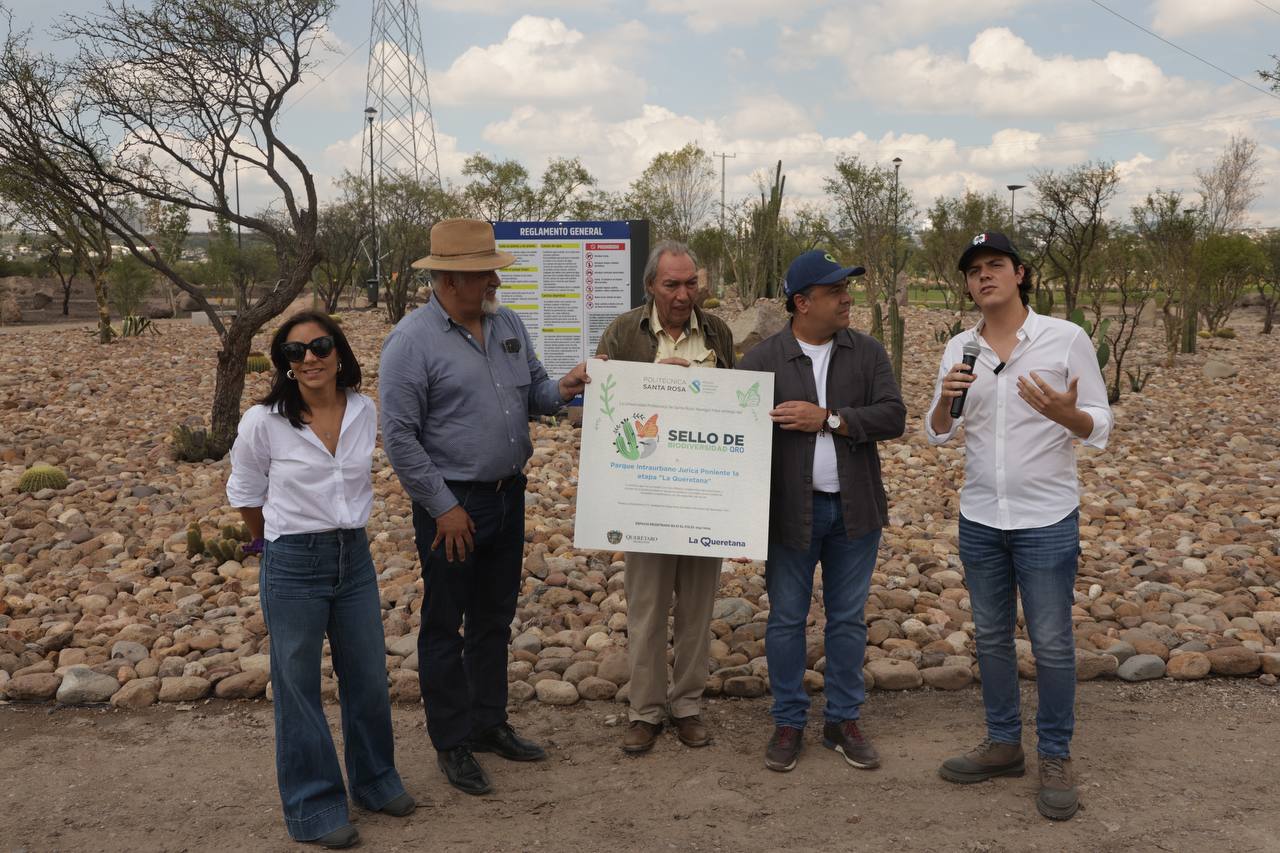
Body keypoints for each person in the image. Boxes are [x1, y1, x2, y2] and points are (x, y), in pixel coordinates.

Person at [379, 218, 590, 796]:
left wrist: (568, 387)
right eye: (483, 273)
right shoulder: (411, 341)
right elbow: (398, 437)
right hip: (455, 505)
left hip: (507, 495)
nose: (495, 279)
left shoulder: (508, 324)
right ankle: (451, 743)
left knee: (494, 619)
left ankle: (488, 723)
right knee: (446, 625)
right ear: (450, 278)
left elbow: (538, 395)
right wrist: (443, 507)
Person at [926, 231, 1112, 821]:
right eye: (974, 269)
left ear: (1020, 273)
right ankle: (1004, 744)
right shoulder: (960, 347)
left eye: (996, 265)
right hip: (980, 515)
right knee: (991, 637)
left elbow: (1100, 425)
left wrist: (1068, 414)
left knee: (1054, 645)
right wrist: (942, 400)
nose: (984, 276)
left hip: (1046, 518)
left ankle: (1054, 755)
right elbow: (937, 430)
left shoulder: (1064, 339)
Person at [227, 311, 413, 850]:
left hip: (353, 559)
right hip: (292, 563)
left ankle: (376, 781)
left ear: (339, 352)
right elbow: (245, 491)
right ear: (284, 364)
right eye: (295, 351)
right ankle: (314, 806)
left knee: (367, 677)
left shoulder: (362, 409)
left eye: (320, 345)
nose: (309, 357)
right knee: (298, 688)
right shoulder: (263, 421)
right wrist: (270, 544)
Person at [739, 250, 906, 773]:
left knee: (848, 622)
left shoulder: (868, 352)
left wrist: (829, 419)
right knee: (787, 620)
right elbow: (732, 434)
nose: (847, 299)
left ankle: (841, 720)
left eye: (846, 290)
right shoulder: (762, 361)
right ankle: (789, 720)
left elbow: (893, 416)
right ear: (802, 303)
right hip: (790, 513)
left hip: (855, 513)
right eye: (836, 292)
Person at [594, 240, 737, 754]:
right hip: (645, 492)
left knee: (698, 605)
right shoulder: (623, 331)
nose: (683, 294)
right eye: (672, 284)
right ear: (651, 285)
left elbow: (735, 410)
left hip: (704, 488)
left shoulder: (717, 332)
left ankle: (689, 705)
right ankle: (646, 710)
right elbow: (604, 407)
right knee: (648, 606)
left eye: (691, 283)